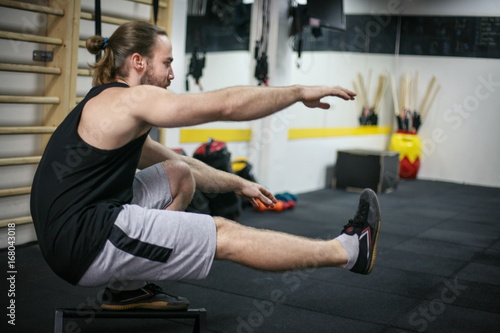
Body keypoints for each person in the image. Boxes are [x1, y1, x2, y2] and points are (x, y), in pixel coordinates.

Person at [30, 21, 381, 311]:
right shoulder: (132, 99)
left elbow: (181, 164)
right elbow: (225, 106)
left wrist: (238, 183)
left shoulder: (113, 105)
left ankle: (126, 290)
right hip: (83, 241)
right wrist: (298, 92)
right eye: (166, 63)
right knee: (223, 234)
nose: (171, 74)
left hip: (73, 227)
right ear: (139, 62)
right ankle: (347, 251)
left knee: (178, 175)